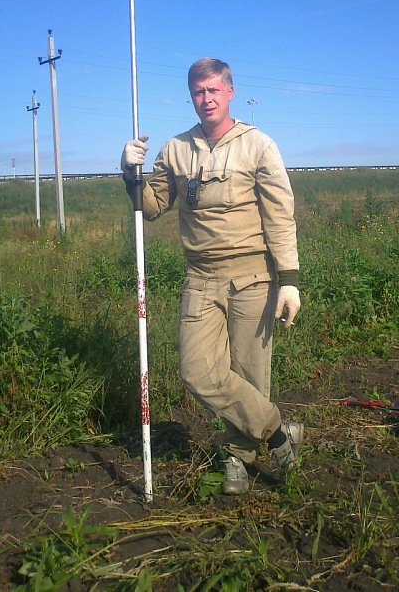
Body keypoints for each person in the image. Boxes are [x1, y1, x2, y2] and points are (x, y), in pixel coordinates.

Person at [120, 57, 303, 495]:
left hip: (254, 277)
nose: (206, 99)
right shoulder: (175, 150)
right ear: (191, 97)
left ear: (230, 92)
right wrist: (130, 172)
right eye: (199, 92)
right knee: (197, 371)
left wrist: (290, 279)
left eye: (214, 90)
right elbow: (151, 206)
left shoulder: (258, 145)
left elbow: (280, 216)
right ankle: (279, 433)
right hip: (200, 277)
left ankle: (238, 458)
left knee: (250, 373)